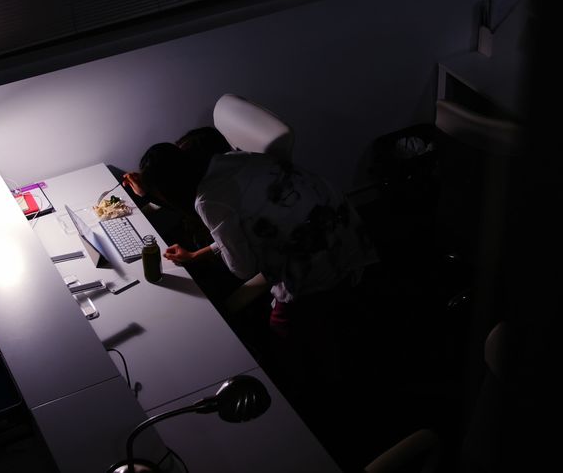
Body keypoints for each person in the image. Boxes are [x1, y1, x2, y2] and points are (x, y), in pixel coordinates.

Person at [127, 142, 378, 398]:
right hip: (345, 224)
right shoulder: (230, 158)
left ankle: (316, 390)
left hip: (315, 255)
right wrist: (196, 255)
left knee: (283, 328)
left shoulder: (209, 199)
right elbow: (247, 219)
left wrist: (208, 249)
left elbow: (243, 268)